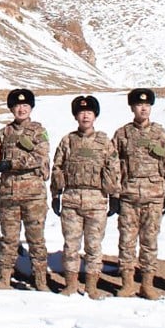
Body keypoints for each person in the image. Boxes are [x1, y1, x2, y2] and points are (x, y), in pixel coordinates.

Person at [110, 88, 165, 300]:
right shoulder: (122, 134)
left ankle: (147, 284)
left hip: (154, 196)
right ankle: (128, 283)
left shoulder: (160, 133)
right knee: (127, 242)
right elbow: (113, 165)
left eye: (147, 105)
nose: (143, 108)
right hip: (128, 196)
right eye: (139, 105)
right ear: (132, 107)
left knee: (150, 242)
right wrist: (114, 194)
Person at [50, 95, 120, 298]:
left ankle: (91, 286)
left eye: (89, 112)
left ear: (95, 115)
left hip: (97, 200)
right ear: (76, 116)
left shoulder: (104, 141)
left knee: (94, 246)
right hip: (71, 199)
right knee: (71, 245)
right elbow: (57, 168)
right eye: (81, 112)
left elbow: (114, 168)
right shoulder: (67, 141)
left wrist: (114, 195)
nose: (85, 115)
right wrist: (56, 195)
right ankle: (71, 285)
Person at [0, 88, 51, 291]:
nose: (21, 109)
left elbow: (40, 157)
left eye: (25, 105)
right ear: (11, 108)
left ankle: (41, 280)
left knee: (36, 240)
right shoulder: (4, 133)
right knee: (8, 239)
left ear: (31, 107)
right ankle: (5, 278)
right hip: (9, 194)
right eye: (17, 106)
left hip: (33, 195)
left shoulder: (38, 131)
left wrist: (12, 164)